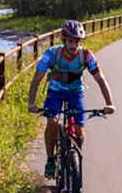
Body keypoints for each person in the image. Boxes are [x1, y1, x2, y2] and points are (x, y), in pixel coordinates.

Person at [27, 20, 116, 177]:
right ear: (63, 40)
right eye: (69, 41)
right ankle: (50, 160)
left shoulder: (86, 56)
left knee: (80, 130)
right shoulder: (52, 54)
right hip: (55, 91)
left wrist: (110, 103)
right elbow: (36, 79)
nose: (73, 45)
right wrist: (31, 103)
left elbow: (101, 79)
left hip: (75, 92)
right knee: (53, 122)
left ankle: (76, 157)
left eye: (76, 41)